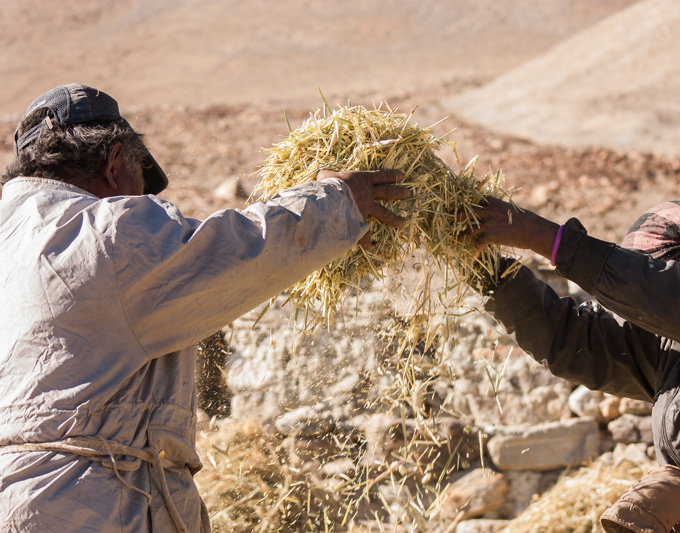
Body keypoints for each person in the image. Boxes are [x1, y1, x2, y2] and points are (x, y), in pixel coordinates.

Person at [0, 83, 410, 532]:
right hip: (84, 503)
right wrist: (338, 200)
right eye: (140, 186)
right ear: (115, 163)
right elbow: (238, 254)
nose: (142, 200)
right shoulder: (107, 232)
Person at [467, 197, 680, 532]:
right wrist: (484, 267)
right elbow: (574, 341)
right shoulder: (674, 346)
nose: (640, 311)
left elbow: (671, 299)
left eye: (657, 274)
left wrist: (544, 237)